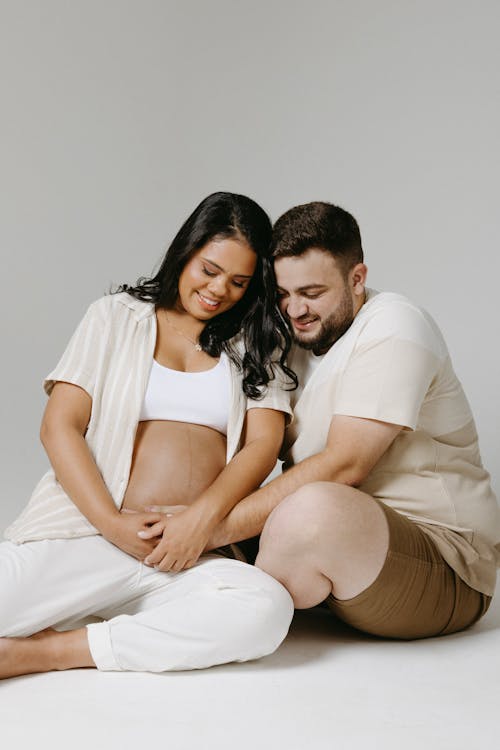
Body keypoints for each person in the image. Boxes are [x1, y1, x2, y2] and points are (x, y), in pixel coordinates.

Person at [0, 191, 296, 679]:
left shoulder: (256, 341)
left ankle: (49, 652)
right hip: (92, 535)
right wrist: (113, 524)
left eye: (239, 282)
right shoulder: (115, 316)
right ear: (186, 251)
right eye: (208, 270)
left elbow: (262, 446)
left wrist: (201, 522)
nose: (219, 290)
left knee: (264, 609)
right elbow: (59, 427)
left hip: (191, 554)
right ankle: (126, 625)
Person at [205, 201, 500, 639]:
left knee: (310, 509)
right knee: (180, 491)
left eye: (311, 293)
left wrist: (213, 530)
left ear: (357, 279)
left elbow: (346, 464)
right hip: (350, 555)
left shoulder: (396, 324)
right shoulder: (294, 342)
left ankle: (232, 607)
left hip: (446, 563)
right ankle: (208, 595)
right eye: (284, 294)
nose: (295, 310)